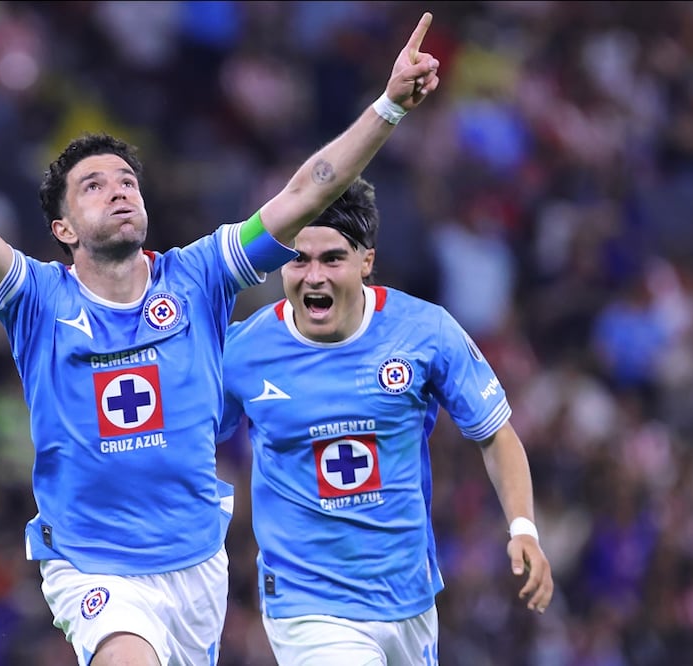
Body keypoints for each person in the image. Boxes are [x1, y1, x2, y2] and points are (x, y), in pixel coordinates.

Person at [0, 14, 440, 666]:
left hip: (196, 564)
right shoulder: (37, 298)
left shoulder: (199, 276)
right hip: (94, 567)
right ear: (62, 228)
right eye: (94, 185)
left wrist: (389, 105)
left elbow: (305, 192)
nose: (118, 190)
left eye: (126, 180)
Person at [219, 177, 555, 665]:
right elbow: (188, 437)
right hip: (307, 604)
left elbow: (495, 433)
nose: (313, 276)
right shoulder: (244, 350)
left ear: (366, 262)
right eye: (298, 259)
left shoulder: (425, 330)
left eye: (332, 258)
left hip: (409, 596)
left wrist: (523, 527)